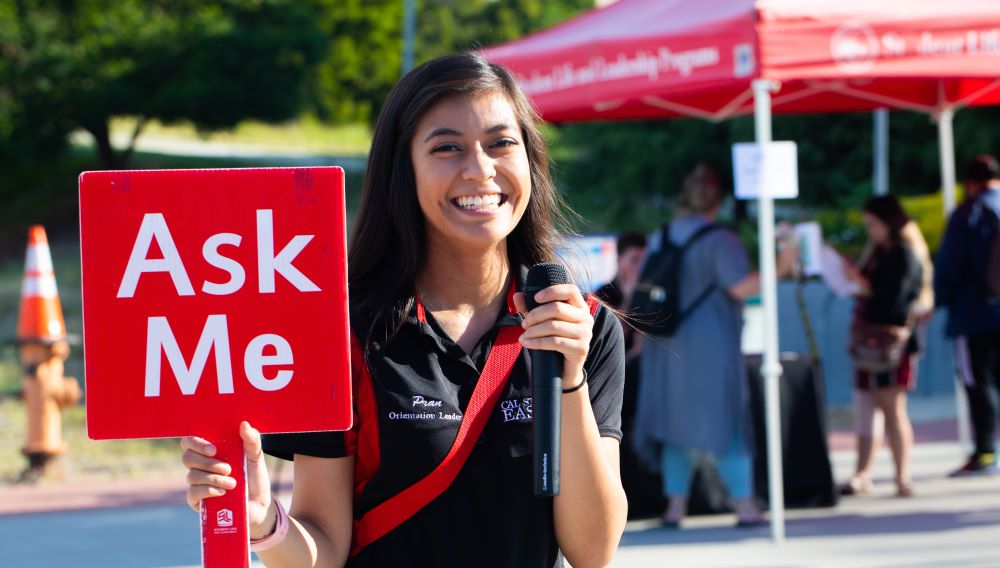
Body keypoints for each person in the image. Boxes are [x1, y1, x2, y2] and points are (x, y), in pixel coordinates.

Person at [178, 53, 628, 567]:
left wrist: (567, 379)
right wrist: (261, 519)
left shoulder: (584, 326)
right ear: (403, 172)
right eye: (447, 148)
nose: (480, 170)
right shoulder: (343, 331)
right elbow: (324, 548)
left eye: (502, 144)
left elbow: (593, 551)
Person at [632, 164, 797, 528]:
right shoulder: (721, 240)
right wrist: (781, 266)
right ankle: (745, 506)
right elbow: (740, 287)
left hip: (665, 342)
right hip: (709, 344)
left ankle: (675, 508)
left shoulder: (661, 235)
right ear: (717, 201)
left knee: (675, 425)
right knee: (725, 420)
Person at [840, 196, 929, 497]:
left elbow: (898, 299)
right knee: (865, 407)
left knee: (892, 408)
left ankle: (902, 476)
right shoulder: (875, 252)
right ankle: (862, 473)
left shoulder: (905, 254)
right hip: (867, 341)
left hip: (891, 343)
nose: (870, 231)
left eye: (872, 225)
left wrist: (864, 287)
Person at [935, 154, 1000, 477]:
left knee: (979, 382)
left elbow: (949, 265)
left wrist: (938, 299)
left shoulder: (968, 214)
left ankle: (987, 452)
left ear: (970, 182)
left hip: (975, 314)